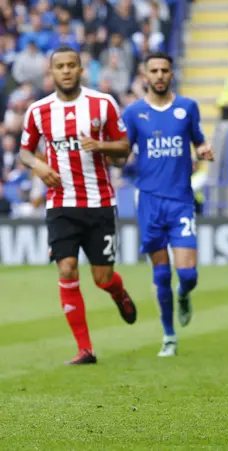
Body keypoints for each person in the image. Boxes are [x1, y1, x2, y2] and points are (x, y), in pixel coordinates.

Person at [19, 46, 137, 365]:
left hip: (99, 203)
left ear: (81, 69)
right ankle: (85, 349)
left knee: (101, 277)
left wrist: (100, 145)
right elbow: (25, 151)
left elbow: (124, 149)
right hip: (60, 205)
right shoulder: (38, 111)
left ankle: (117, 292)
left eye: (72, 65)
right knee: (67, 268)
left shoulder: (102, 103)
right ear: (52, 71)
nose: (67, 71)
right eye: (60, 66)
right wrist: (39, 167)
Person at [121, 52, 213, 357]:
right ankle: (169, 336)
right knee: (161, 274)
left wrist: (203, 149)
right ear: (145, 75)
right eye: (154, 70)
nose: (159, 75)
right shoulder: (134, 113)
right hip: (148, 201)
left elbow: (198, 140)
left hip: (181, 201)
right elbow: (124, 153)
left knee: (187, 274)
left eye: (164, 70)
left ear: (171, 74)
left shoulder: (187, 107)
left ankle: (184, 295)